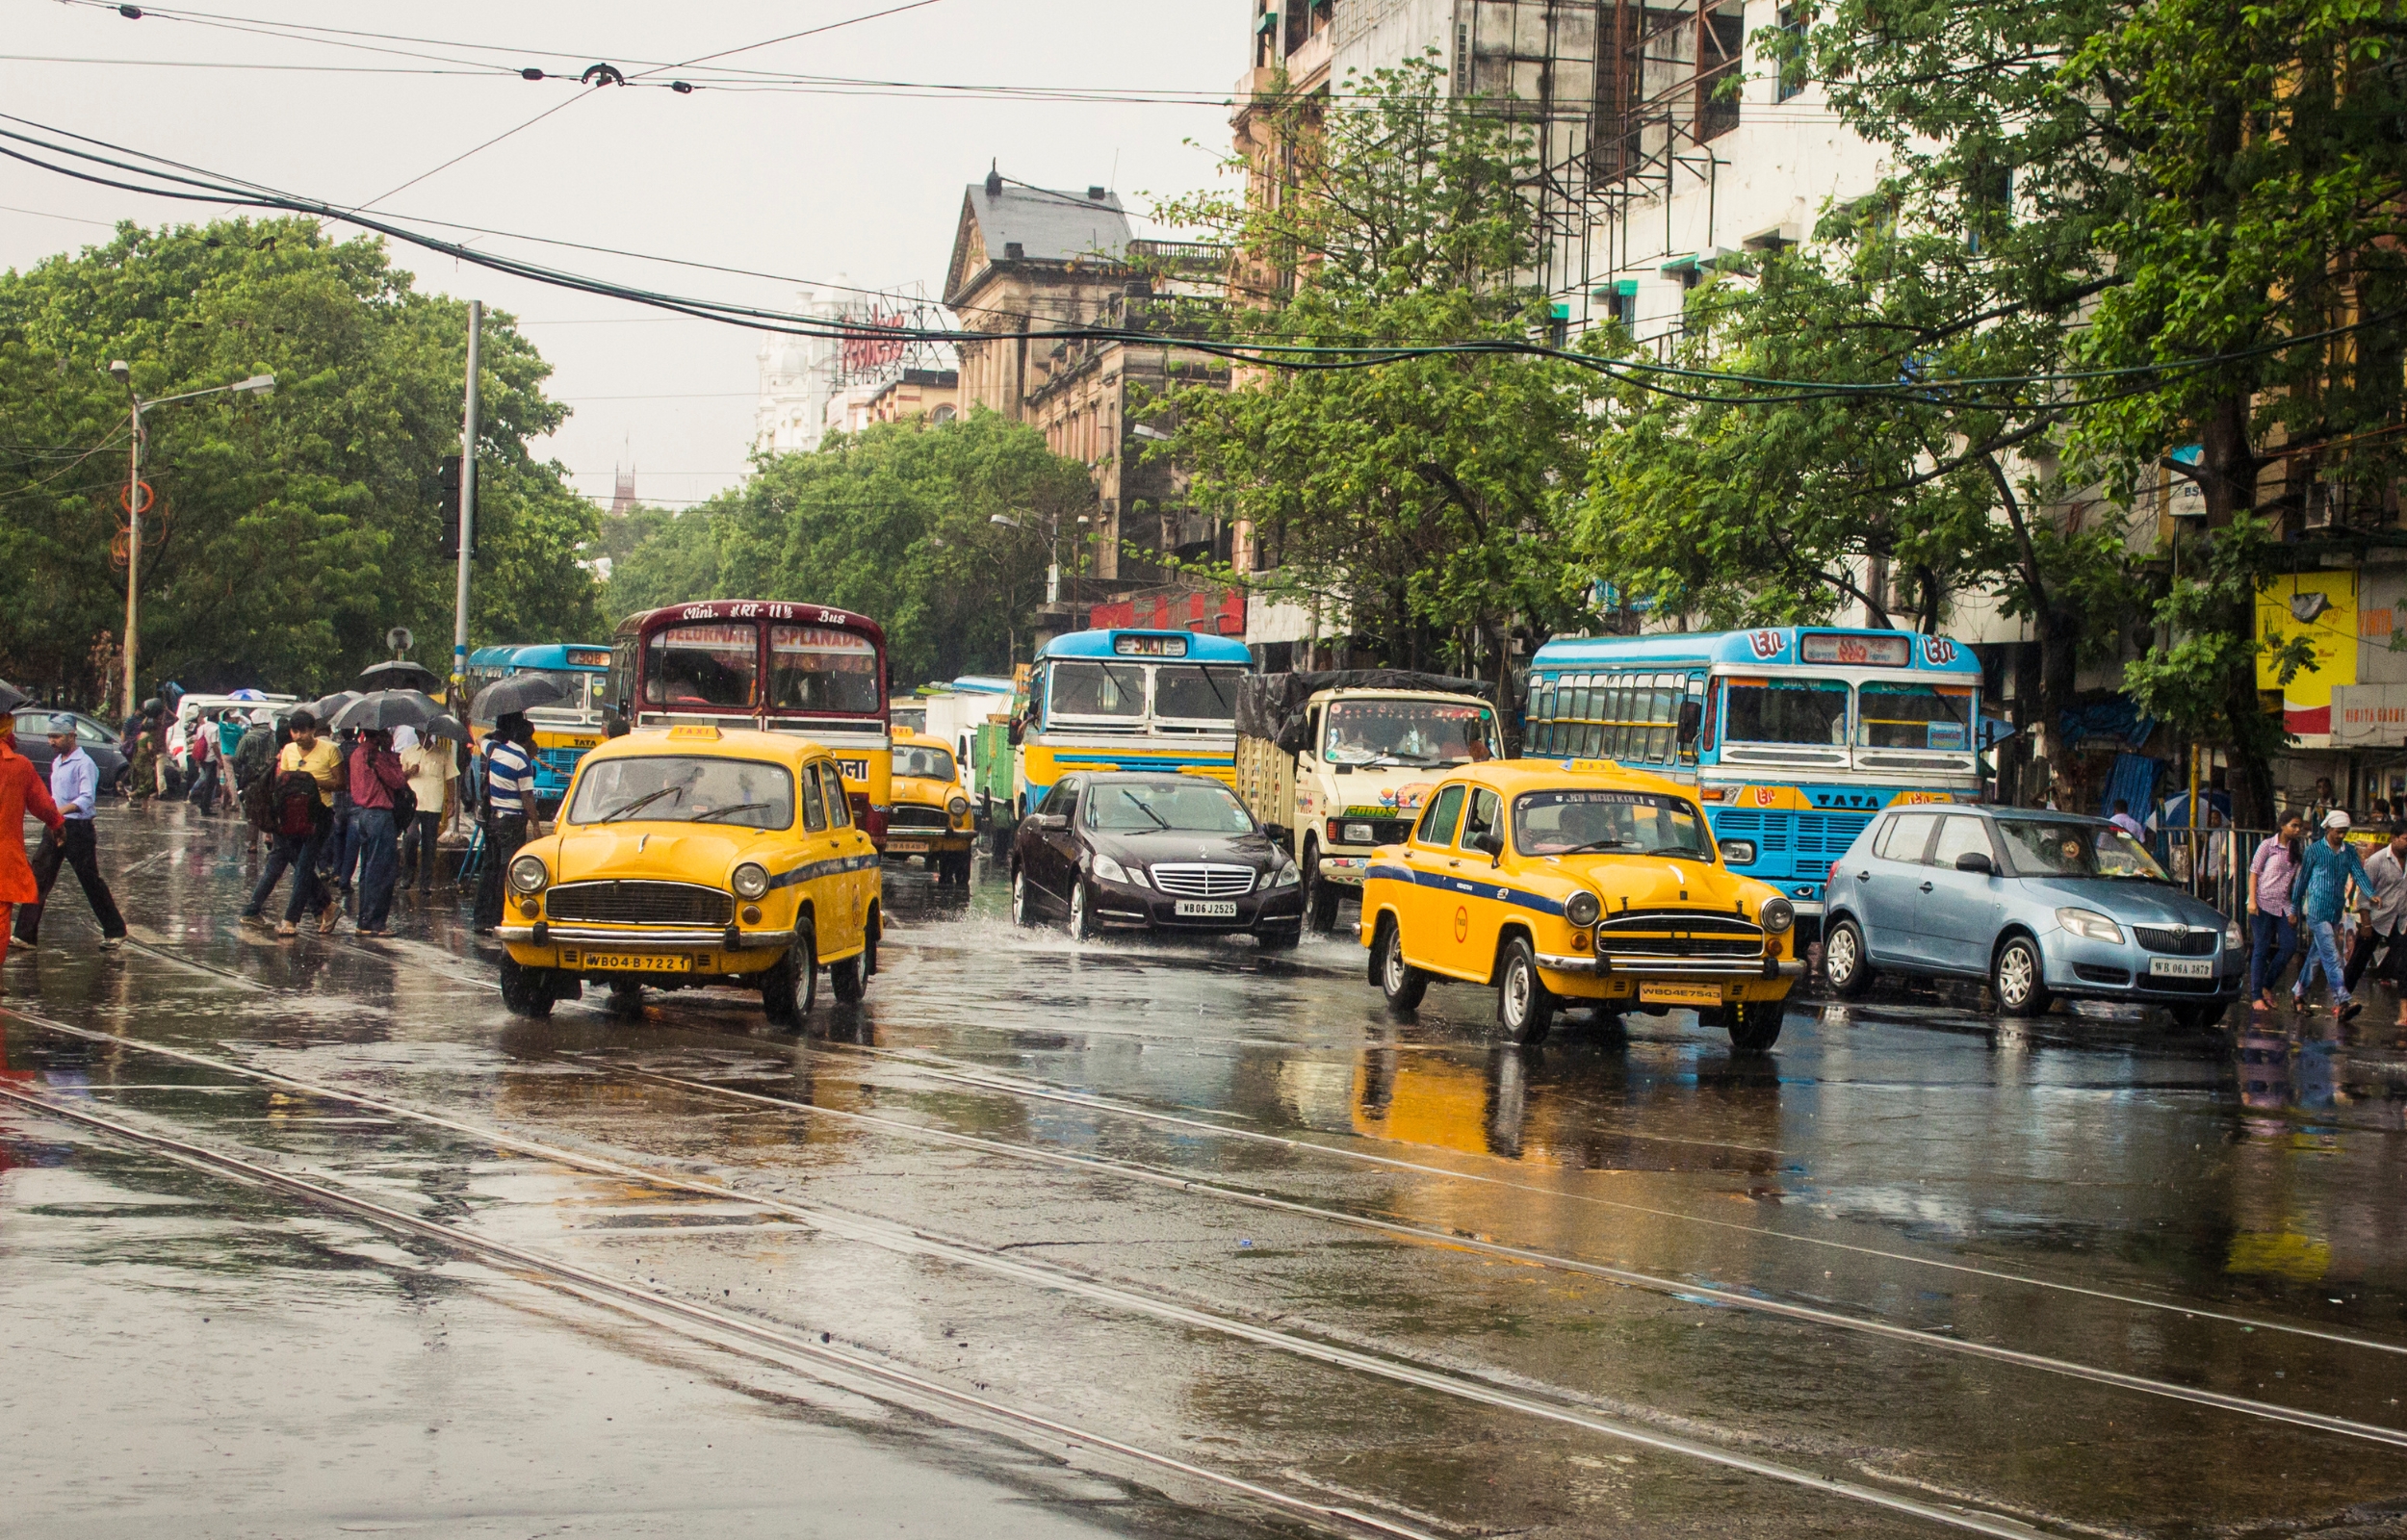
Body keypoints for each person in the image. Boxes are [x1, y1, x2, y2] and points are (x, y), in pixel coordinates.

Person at [13, 715, 127, 952]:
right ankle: (25, 935)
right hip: (55, 826)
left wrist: (59, 811)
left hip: (78, 828)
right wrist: (51, 814)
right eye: (49, 737)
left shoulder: (84, 764)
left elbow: (86, 798)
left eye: (56, 736)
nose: (51, 742)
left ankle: (115, 930)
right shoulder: (58, 762)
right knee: (38, 877)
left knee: (90, 880)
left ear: (71, 736)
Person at [241, 709, 342, 937]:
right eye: (295, 732)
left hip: (319, 815)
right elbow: (283, 783)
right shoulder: (287, 750)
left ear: (313, 730)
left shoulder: (331, 751)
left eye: (303, 731)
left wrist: (313, 782)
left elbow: (340, 783)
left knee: (302, 866)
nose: (299, 736)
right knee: (290, 864)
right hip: (290, 817)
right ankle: (327, 907)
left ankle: (290, 920)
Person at [0, 714, 66, 986]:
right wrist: (57, 824)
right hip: (4, 855)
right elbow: (42, 804)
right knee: (1, 915)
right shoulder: (19, 766)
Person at [2292, 809, 2371, 1021]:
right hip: (2317, 911)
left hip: (2335, 910)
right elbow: (2302, 880)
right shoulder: (2315, 851)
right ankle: (2342, 1000)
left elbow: (2359, 874)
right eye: (2338, 832)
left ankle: (2298, 994)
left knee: (2316, 957)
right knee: (2331, 954)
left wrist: (2372, 894)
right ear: (2328, 829)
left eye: (2344, 832)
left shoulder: (2349, 852)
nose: (2341, 836)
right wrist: (2294, 908)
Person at [473, 714, 542, 935]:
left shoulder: (494, 749)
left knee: (489, 867)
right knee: (508, 869)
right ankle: (500, 915)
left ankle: (481, 917)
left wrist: (498, 733)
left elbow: (480, 738)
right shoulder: (521, 760)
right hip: (512, 821)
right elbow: (527, 797)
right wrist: (536, 825)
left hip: (493, 817)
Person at [347, 728, 409, 937]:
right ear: (380, 736)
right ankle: (374, 922)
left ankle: (364, 918)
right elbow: (398, 781)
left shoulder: (357, 754)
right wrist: (391, 754)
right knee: (382, 870)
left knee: (368, 868)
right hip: (379, 815)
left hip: (362, 814)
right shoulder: (377, 756)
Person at [2343, 822, 2407, 1021]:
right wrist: (2366, 922)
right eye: (2405, 839)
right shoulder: (2377, 861)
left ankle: (2404, 1011)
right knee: (2358, 962)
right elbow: (2363, 894)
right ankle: (2341, 1001)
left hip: (2401, 919)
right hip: (2377, 918)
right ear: (2394, 838)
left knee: (2405, 964)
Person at [2248, 813, 2308, 1012]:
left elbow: (2297, 883)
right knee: (2261, 948)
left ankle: (2266, 985)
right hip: (2262, 902)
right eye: (2294, 826)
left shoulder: (2296, 850)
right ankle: (2256, 995)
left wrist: (2294, 910)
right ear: (2282, 826)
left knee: (2289, 946)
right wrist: (2253, 900)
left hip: (2283, 904)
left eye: (2300, 827)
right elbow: (2254, 872)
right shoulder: (2268, 846)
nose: (2297, 830)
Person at [396, 725, 455, 896]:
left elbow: (450, 779)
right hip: (413, 805)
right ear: (417, 733)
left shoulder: (443, 754)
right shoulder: (408, 753)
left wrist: (450, 802)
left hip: (433, 805)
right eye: (419, 733)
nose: (423, 736)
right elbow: (398, 779)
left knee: (430, 844)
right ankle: (407, 876)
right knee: (411, 837)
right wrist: (409, 772)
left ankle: (425, 882)